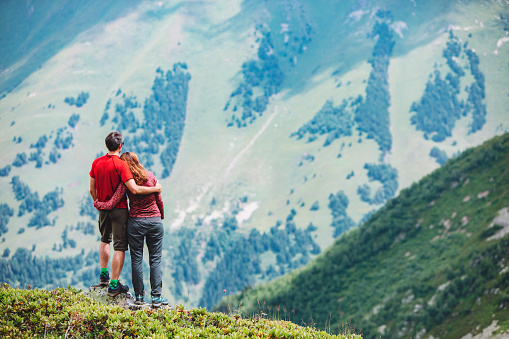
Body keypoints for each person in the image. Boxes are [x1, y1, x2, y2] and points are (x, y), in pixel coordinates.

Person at [89, 132, 162, 297]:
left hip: (102, 208)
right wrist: (156, 189)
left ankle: (103, 276)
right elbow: (134, 189)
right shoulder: (122, 165)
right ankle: (114, 284)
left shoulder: (96, 163)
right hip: (120, 210)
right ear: (120, 146)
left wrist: (99, 204)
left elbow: (92, 189)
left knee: (104, 240)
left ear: (107, 145)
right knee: (120, 247)